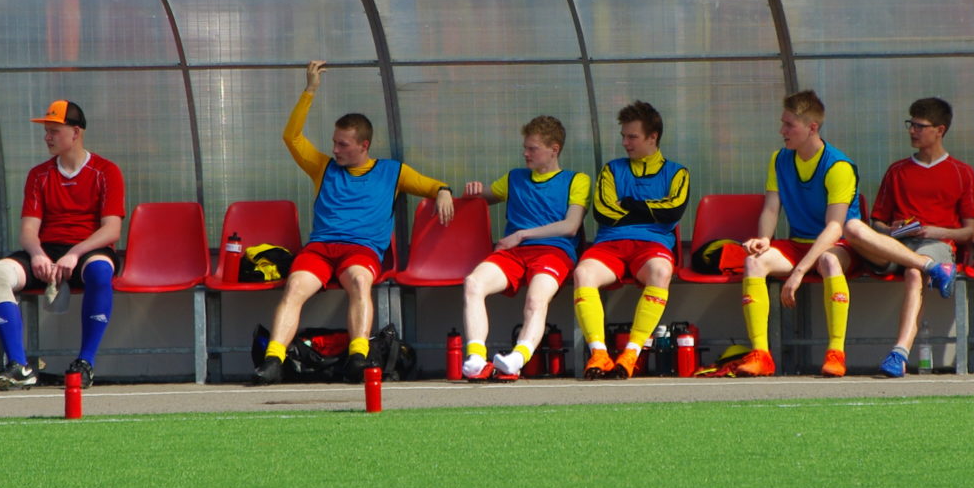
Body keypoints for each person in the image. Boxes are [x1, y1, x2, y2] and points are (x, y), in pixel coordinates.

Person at [254, 60, 455, 385]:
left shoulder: (392, 171)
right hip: (320, 249)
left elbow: (431, 185)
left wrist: (443, 191)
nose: (334, 150)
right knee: (294, 287)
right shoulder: (323, 167)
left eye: (343, 144)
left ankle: (358, 356)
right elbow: (291, 137)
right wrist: (310, 90)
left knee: (360, 282)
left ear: (364, 146)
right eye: (334, 142)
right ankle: (273, 360)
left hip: (360, 250)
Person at [0, 99, 124, 390]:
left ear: (76, 132)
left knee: (100, 271)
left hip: (88, 249)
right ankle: (19, 366)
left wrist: (75, 252)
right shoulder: (39, 174)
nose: (47, 137)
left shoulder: (106, 171)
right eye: (46, 131)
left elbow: (112, 229)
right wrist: (37, 254)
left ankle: (85, 363)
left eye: (54, 131)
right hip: (47, 250)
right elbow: (28, 230)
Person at [721, 90, 859, 378]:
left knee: (829, 261)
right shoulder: (779, 159)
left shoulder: (838, 166)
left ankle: (836, 353)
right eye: (782, 123)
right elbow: (771, 208)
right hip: (798, 244)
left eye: (789, 125)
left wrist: (798, 272)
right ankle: (761, 354)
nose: (781, 131)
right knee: (754, 261)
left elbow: (835, 228)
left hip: (837, 246)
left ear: (812, 127)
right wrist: (764, 239)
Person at [839, 96, 974, 377]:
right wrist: (891, 230)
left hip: (935, 244)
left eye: (919, 126)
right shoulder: (897, 170)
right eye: (910, 124)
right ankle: (933, 269)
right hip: (896, 244)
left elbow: (971, 232)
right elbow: (877, 223)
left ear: (939, 130)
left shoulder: (962, 173)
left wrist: (933, 231)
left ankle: (899, 354)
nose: (912, 131)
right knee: (852, 227)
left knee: (914, 273)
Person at [457, 115, 591, 382]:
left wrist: (521, 234)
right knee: (473, 283)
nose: (525, 153)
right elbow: (484, 196)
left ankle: (517, 359)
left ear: (554, 149)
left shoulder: (577, 180)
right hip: (514, 254)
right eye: (525, 148)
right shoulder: (514, 178)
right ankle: (476, 358)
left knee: (535, 299)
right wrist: (473, 190)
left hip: (554, 253)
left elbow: (571, 226)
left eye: (533, 148)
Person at [571, 101, 691, 377]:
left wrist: (629, 204)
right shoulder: (611, 170)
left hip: (652, 246)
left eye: (632, 137)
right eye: (623, 136)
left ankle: (630, 354)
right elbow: (603, 212)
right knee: (583, 273)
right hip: (609, 244)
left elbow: (673, 211)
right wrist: (651, 210)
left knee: (661, 272)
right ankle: (599, 354)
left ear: (653, 137)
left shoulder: (677, 173)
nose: (625, 143)